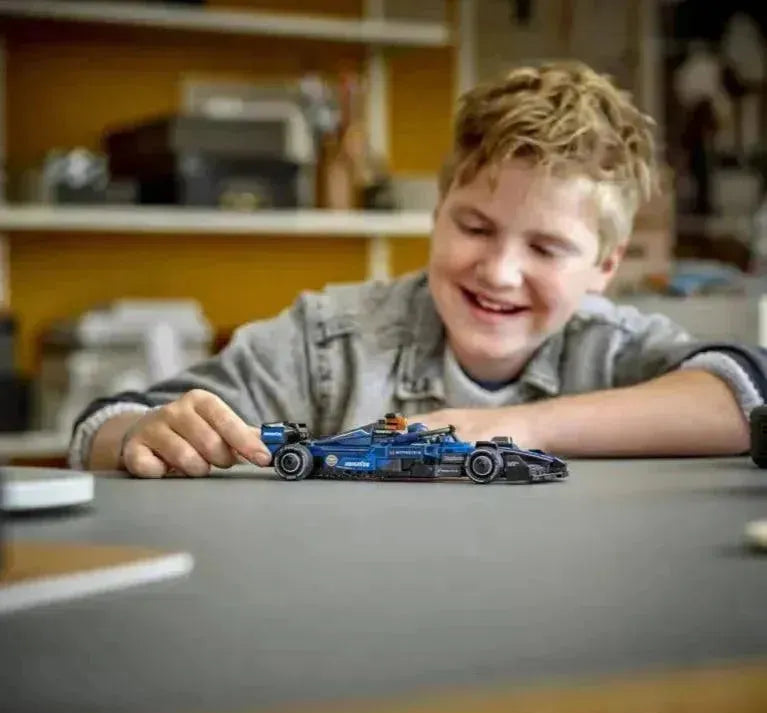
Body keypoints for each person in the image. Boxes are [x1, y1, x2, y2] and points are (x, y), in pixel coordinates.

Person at [70, 60, 767, 478]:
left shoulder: (613, 348)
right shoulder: (329, 342)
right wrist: (138, 435)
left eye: (546, 249)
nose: (499, 271)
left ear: (604, 266)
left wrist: (523, 428)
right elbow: (108, 421)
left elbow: (743, 395)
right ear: (437, 213)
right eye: (475, 227)